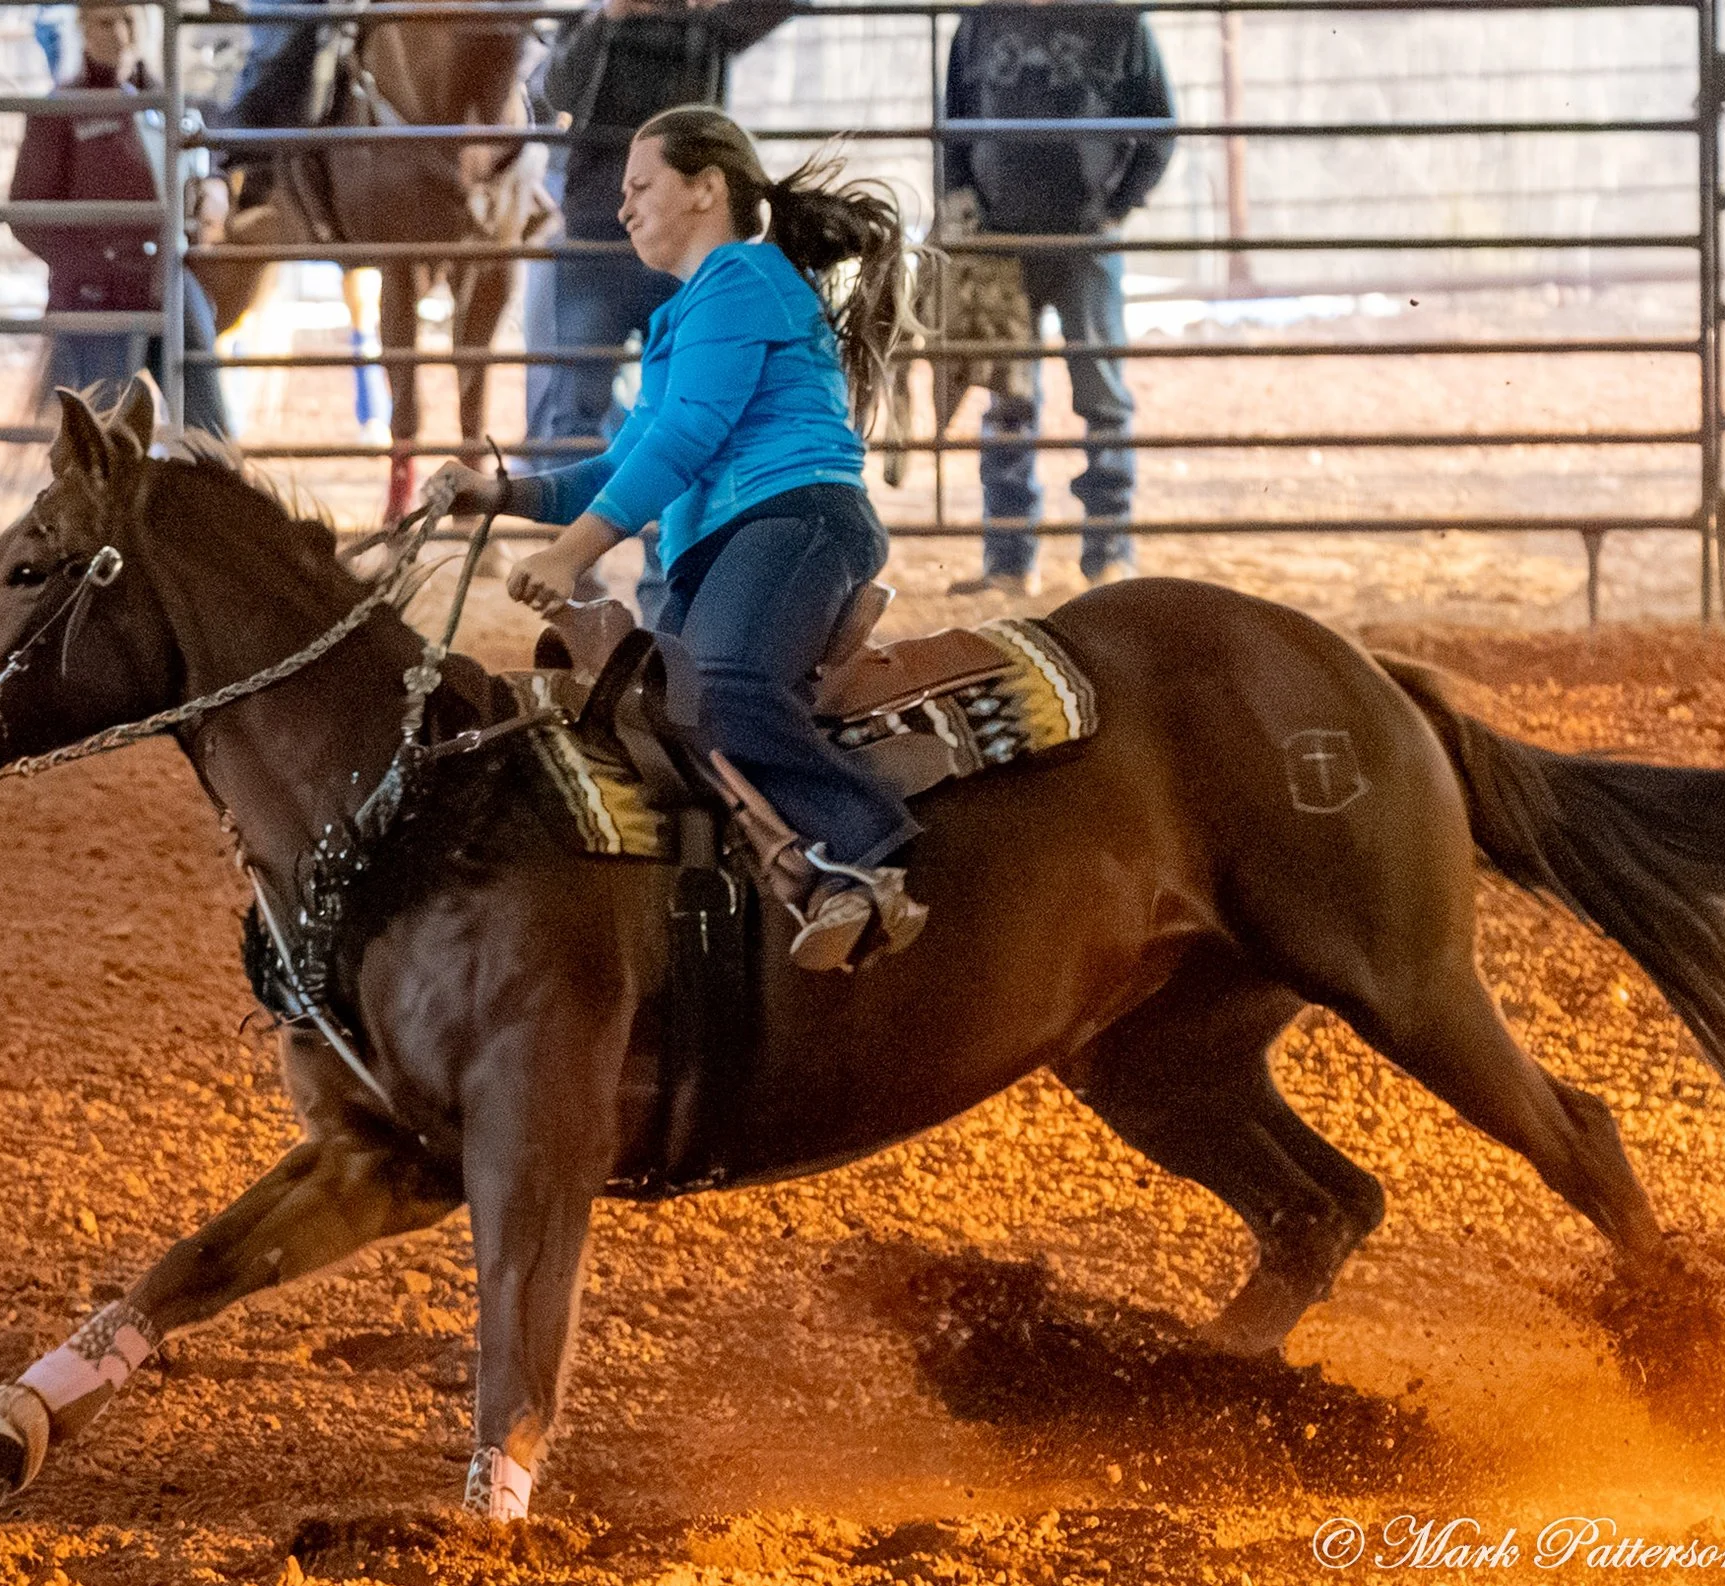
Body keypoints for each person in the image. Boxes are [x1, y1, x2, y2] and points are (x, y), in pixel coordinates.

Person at [430, 105, 923, 973]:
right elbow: (622, 463)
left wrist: (571, 554)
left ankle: (867, 846)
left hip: (796, 516)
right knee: (665, 710)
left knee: (725, 682)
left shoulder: (740, 277)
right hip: (733, 542)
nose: (621, 208)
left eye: (640, 186)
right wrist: (499, 493)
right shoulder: (689, 315)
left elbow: (684, 439)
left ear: (706, 189)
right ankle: (780, 880)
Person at [527, 0, 800, 624]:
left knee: (676, 417)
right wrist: (605, 20)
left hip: (664, 246)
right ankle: (586, 584)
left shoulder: (705, 23)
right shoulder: (598, 28)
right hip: (603, 237)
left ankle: (664, 586)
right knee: (577, 409)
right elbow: (555, 88)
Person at [942, 0, 1174, 596]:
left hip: (1083, 237)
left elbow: (1158, 128)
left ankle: (1106, 555)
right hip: (999, 240)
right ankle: (1011, 559)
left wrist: (1113, 207)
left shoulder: (1118, 24)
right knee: (1008, 400)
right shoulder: (980, 22)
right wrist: (962, 210)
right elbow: (954, 128)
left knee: (1099, 397)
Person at [10, 0, 229, 435]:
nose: (120, 34)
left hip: (171, 278)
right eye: (105, 22)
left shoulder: (173, 102)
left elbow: (208, 164)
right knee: (105, 434)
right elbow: (27, 214)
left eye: (129, 19)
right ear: (83, 29)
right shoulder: (61, 110)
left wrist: (216, 190)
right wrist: (92, 265)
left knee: (210, 431)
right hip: (98, 295)